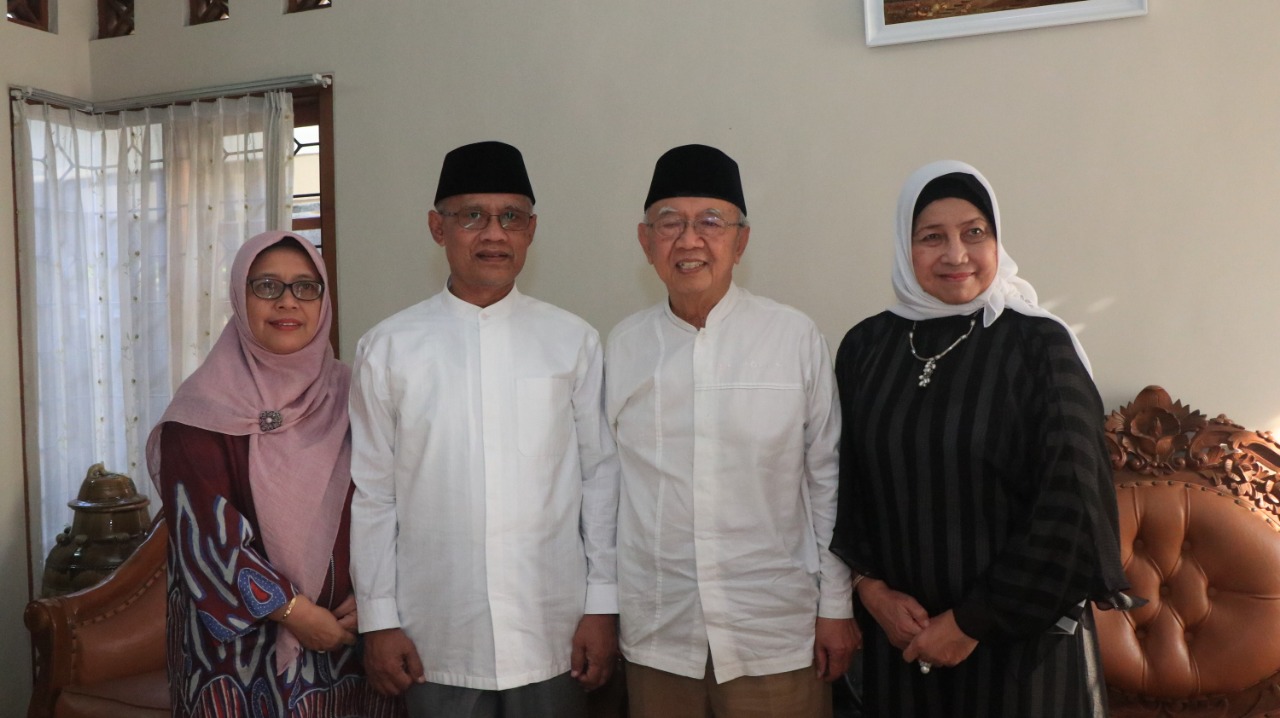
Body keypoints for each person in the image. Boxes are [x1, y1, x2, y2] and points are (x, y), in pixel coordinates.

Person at [831, 160, 1139, 717]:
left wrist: (972, 622)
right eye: (931, 237)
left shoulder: (1039, 346)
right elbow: (844, 482)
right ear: (905, 247)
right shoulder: (865, 348)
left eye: (974, 232)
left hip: (1021, 653)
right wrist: (870, 590)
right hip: (902, 648)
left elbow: (1071, 505)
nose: (956, 254)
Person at [348, 140, 620, 718]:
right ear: (436, 227)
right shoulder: (388, 347)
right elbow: (373, 494)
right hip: (433, 636)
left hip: (553, 629)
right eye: (472, 216)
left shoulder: (572, 341)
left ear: (531, 230)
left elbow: (600, 478)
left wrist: (602, 605)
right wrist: (379, 620)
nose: (493, 234)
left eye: (510, 217)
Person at [606, 144, 857, 718]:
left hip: (773, 633)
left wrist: (836, 607)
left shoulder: (793, 339)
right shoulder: (622, 346)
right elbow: (605, 489)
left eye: (711, 222)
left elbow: (827, 481)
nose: (689, 240)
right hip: (660, 633)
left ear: (741, 240)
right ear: (646, 241)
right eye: (670, 223)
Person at [147, 230, 401, 717]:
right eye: (267, 286)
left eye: (306, 287)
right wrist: (298, 615)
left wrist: (378, 599)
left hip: (353, 644)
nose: (288, 302)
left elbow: (395, 500)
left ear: (325, 301)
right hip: (238, 661)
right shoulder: (199, 413)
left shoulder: (358, 394)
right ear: (240, 299)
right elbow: (207, 542)